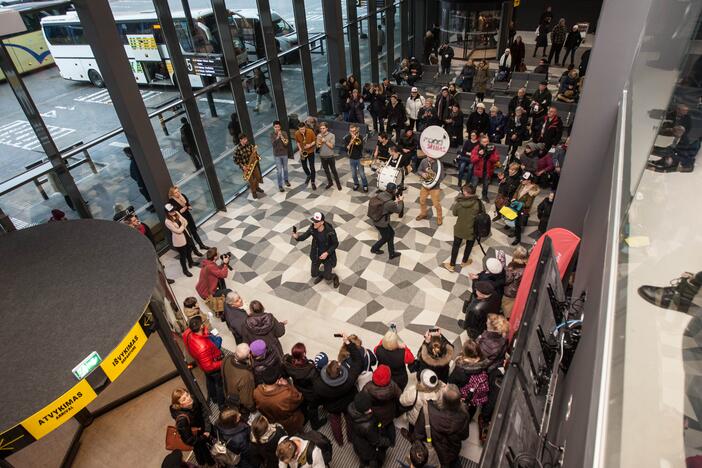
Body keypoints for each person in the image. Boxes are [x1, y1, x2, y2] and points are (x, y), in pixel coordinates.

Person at [313, 333, 364, 445]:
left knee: (335, 423)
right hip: (348, 403)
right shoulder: (350, 378)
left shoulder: (319, 385)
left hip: (332, 407)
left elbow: (317, 396)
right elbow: (358, 361)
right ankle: (350, 438)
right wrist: (348, 342)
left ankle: (339, 441)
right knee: (349, 420)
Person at [413, 384, 470, 468]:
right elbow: (464, 436)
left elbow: (418, 435)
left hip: (434, 449)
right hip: (452, 452)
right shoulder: (464, 416)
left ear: (443, 399)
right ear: (459, 401)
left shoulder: (427, 410)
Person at [283, 343, 326, 429]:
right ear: (304, 354)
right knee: (313, 408)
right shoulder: (311, 369)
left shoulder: (288, 364)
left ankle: (304, 419)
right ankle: (315, 425)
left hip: (298, 389)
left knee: (303, 405)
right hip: (311, 393)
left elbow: (285, 375)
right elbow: (317, 384)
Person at [183, 316, 224, 406]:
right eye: (203, 322)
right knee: (219, 384)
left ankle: (214, 398)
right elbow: (209, 367)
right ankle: (222, 405)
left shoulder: (187, 333)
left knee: (210, 380)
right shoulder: (203, 347)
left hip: (201, 363)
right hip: (212, 365)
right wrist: (223, 362)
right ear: (201, 326)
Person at [293, 211, 340, 288]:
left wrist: (327, 253)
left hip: (328, 256)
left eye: (316, 222)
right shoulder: (312, 228)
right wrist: (297, 237)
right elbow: (304, 236)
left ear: (322, 222)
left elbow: (335, 244)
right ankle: (322, 274)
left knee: (328, 277)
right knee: (314, 274)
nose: (314, 223)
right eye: (314, 221)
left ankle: (334, 276)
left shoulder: (330, 231)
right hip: (316, 254)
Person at [169, 388, 214, 466]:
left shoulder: (193, 399)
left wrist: (207, 429)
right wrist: (203, 437)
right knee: (201, 451)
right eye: (184, 399)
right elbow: (188, 440)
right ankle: (206, 463)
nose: (188, 398)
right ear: (179, 405)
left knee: (214, 440)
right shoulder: (182, 420)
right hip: (196, 437)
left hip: (203, 428)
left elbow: (203, 412)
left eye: (187, 395)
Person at [253, 367, 304, 435]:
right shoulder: (286, 395)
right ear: (277, 381)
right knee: (298, 432)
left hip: (273, 422)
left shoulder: (256, 392)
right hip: (290, 422)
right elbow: (299, 398)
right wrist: (288, 385)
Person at [348, 392, 392, 467]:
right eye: (368, 409)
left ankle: (362, 464)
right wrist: (387, 441)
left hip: (357, 442)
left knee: (362, 457)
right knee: (374, 461)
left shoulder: (351, 409)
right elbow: (376, 441)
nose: (370, 410)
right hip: (369, 449)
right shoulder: (368, 426)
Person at [449, 339, 489, 422]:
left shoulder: (460, 370)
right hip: (473, 401)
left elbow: (451, 382)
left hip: (461, 398)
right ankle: (468, 420)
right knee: (470, 412)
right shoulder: (483, 365)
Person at [443, 184, 481, 272]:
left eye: (463, 191)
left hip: (459, 228)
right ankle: (464, 261)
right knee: (469, 245)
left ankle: (452, 265)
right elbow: (482, 213)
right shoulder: (478, 203)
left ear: (466, 193)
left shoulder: (459, 203)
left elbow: (454, 213)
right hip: (472, 229)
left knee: (456, 246)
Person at [361, 365, 401, 445]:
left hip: (375, 415)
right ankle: (392, 442)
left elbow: (363, 401)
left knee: (378, 428)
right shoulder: (393, 385)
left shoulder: (368, 387)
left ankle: (381, 440)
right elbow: (400, 396)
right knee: (390, 426)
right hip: (389, 412)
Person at [399, 369, 445, 436]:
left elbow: (402, 400)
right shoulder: (443, 389)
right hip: (433, 420)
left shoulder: (414, 392)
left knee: (414, 430)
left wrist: (412, 388)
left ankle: (412, 437)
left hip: (416, 419)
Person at [168, 185, 209, 253]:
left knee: (194, 231)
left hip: (188, 216)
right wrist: (181, 211)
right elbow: (174, 212)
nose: (178, 193)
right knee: (189, 234)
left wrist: (189, 206)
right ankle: (195, 250)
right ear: (172, 194)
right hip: (181, 219)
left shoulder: (182, 195)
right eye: (175, 192)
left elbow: (187, 203)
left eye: (178, 191)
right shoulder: (171, 202)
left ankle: (201, 245)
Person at [370, 182, 404, 260]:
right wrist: (400, 201)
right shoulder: (389, 203)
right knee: (386, 237)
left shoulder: (381, 194)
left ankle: (391, 253)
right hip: (382, 223)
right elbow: (398, 210)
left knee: (391, 234)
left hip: (377, 219)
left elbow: (387, 205)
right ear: (393, 191)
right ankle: (374, 249)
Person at [222, 343, 256, 417]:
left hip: (227, 392)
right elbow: (246, 400)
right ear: (248, 356)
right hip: (238, 403)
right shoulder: (246, 376)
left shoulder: (227, 358)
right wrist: (253, 408)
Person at [509, 172, 541, 245]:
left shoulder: (532, 190)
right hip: (516, 206)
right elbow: (517, 192)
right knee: (515, 221)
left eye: (524, 179)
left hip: (523, 209)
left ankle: (518, 238)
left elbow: (528, 204)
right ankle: (515, 232)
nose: (522, 180)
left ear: (529, 181)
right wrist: (514, 198)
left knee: (518, 224)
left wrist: (519, 204)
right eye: (522, 178)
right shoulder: (522, 184)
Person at [165, 203, 197, 277]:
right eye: (171, 211)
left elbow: (185, 221)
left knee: (189, 250)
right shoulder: (167, 221)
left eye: (173, 210)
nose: (173, 211)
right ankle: (185, 270)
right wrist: (183, 225)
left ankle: (191, 262)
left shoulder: (176, 212)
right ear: (167, 212)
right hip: (179, 240)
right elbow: (178, 231)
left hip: (186, 234)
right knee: (183, 255)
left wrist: (182, 225)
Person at [415, 153, 445, 226]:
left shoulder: (439, 164)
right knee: (422, 201)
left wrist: (432, 181)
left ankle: (439, 218)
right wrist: (422, 174)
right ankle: (423, 213)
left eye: (431, 157)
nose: (429, 158)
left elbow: (441, 177)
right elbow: (419, 170)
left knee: (436, 204)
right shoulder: (424, 161)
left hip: (435, 187)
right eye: (428, 156)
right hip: (425, 185)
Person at [234, 133, 264, 199]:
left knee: (258, 176)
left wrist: (255, 153)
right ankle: (254, 192)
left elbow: (254, 153)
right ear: (240, 140)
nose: (246, 140)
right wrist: (243, 166)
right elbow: (236, 160)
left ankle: (257, 187)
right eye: (244, 139)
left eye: (246, 139)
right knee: (251, 181)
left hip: (253, 164)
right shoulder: (237, 150)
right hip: (246, 167)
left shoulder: (249, 145)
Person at [470, 135, 499, 202]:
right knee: (474, 185)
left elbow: (496, 159)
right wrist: (479, 155)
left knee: (486, 185)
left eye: (487, 141)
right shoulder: (476, 148)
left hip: (488, 171)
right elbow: (472, 160)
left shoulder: (492, 148)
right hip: (478, 170)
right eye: (484, 142)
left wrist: (490, 156)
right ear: (480, 142)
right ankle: (472, 197)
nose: (486, 143)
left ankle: (484, 196)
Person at [502, 246, 529, 317]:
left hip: (510, 292)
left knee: (506, 306)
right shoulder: (526, 266)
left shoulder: (513, 268)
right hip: (517, 289)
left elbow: (507, 280)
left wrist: (504, 268)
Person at [316, 123, 342, 190]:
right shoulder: (318, 135)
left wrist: (325, 141)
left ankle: (338, 184)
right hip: (322, 156)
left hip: (330, 156)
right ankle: (330, 182)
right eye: (321, 128)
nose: (322, 130)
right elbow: (317, 146)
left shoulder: (332, 135)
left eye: (323, 128)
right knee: (326, 171)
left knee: (334, 171)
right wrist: (318, 144)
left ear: (327, 128)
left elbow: (332, 146)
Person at [344, 124, 369, 192]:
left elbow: (360, 148)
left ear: (356, 130)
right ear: (349, 131)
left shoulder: (359, 137)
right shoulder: (347, 138)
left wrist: (355, 139)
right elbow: (346, 149)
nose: (353, 132)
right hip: (352, 158)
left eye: (354, 131)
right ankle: (356, 183)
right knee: (353, 174)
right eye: (351, 131)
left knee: (362, 174)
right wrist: (350, 142)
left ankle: (365, 185)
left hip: (359, 158)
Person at [295, 122, 317, 190]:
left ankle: (313, 182)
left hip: (310, 152)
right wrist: (300, 149)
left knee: (312, 167)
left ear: (305, 127)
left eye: (303, 129)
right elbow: (298, 142)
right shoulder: (297, 133)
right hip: (303, 152)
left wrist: (310, 145)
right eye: (300, 129)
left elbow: (315, 140)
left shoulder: (310, 131)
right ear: (298, 129)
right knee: (304, 166)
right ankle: (308, 175)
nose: (302, 131)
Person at [270, 120, 291, 192]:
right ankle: (280, 185)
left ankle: (286, 180)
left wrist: (281, 137)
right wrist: (277, 138)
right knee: (279, 171)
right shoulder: (272, 134)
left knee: (285, 169)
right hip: (277, 155)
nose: (277, 128)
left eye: (278, 127)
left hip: (284, 153)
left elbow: (286, 144)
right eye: (275, 127)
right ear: (273, 127)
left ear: (280, 127)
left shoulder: (284, 133)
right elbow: (273, 145)